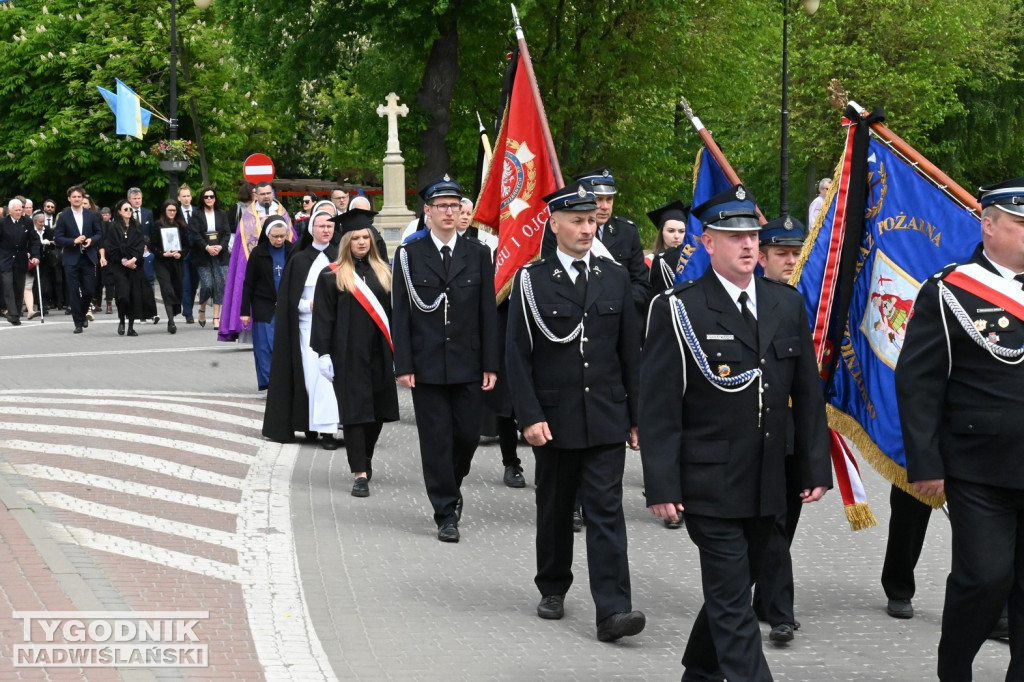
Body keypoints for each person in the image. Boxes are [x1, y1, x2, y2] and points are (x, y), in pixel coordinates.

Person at [640, 184, 832, 681]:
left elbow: (807, 394)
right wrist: (661, 484)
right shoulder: (679, 308)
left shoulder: (784, 303)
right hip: (710, 481)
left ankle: (699, 673)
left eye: (752, 236)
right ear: (708, 244)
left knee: (737, 585)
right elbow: (659, 407)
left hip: (769, 479)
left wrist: (814, 466)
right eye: (733, 236)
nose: (748, 245)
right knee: (732, 601)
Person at [895, 177, 1024, 680]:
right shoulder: (950, 291)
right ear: (989, 227)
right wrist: (925, 463)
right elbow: (918, 383)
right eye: (1020, 224)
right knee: (985, 578)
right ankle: (955, 668)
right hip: (978, 467)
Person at [506, 180, 645, 642]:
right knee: (556, 504)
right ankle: (552, 584)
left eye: (592, 221)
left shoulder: (615, 276)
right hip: (555, 415)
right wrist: (528, 416)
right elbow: (517, 355)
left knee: (607, 509)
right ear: (555, 223)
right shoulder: (532, 279)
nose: (588, 229)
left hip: (605, 413)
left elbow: (630, 351)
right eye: (579, 221)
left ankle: (614, 609)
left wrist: (636, 416)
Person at [391, 175, 498, 543]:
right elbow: (401, 313)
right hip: (427, 364)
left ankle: (451, 484)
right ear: (428, 212)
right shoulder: (408, 254)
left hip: (468, 361)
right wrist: (403, 365)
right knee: (436, 439)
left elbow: (487, 310)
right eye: (442, 206)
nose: (450, 212)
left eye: (455, 206)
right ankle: (445, 511)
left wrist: (490, 362)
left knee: (467, 435)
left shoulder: (478, 253)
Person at [749, 214, 811, 644]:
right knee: (773, 521)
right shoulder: (754, 301)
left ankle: (762, 595)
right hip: (757, 427)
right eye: (782, 253)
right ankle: (780, 611)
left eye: (795, 253)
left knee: (785, 522)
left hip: (794, 428)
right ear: (762, 257)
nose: (790, 261)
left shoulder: (804, 300)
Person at [311, 208, 400, 497]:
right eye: (356, 238)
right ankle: (359, 473)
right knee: (354, 414)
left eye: (366, 237)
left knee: (376, 414)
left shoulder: (385, 273)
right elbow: (323, 318)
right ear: (346, 241)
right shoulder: (331, 276)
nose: (362, 242)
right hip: (347, 354)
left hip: (380, 353)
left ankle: (366, 456)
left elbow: (396, 315)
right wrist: (323, 353)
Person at [262, 211, 341, 447]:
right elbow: (288, 301)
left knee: (330, 379)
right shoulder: (299, 260)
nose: (326, 230)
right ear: (311, 229)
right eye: (321, 226)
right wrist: (309, 305)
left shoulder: (340, 257)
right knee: (311, 378)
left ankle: (328, 431)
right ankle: (310, 424)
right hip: (307, 329)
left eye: (330, 226)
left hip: (335, 329)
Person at [541, 168, 650, 321]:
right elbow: (551, 276)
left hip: (617, 318)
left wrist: (611, 305)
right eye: (599, 199)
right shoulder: (559, 229)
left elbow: (641, 285)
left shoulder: (627, 231)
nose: (605, 206)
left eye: (609, 199)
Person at [220, 182, 295, 341]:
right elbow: (242, 241)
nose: (266, 196)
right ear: (256, 195)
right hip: (255, 263)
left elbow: (292, 238)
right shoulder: (248, 215)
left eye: (269, 193)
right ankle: (250, 332)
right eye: (262, 194)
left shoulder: (282, 213)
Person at [241, 217, 295, 391]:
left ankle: (284, 383)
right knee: (264, 347)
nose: (279, 240)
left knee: (284, 346)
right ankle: (269, 384)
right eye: (275, 236)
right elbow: (248, 283)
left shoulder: (293, 251)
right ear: (267, 234)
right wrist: (245, 311)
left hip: (287, 304)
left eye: (282, 236)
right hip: (263, 304)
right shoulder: (258, 253)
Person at [101, 200, 156, 336]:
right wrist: (124, 261)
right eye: (126, 209)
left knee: (133, 296)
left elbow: (139, 245)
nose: (129, 212)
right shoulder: (113, 228)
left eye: (130, 209)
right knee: (123, 296)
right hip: (119, 267)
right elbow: (111, 248)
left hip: (135, 266)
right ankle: (121, 320)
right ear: (119, 211)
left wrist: (134, 259)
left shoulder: (136, 227)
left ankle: (130, 326)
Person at [53, 185, 104, 334]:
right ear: (69, 198)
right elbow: (58, 238)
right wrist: (73, 241)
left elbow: (99, 233)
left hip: (88, 257)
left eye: (79, 197)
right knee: (73, 291)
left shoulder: (91, 215)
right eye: (74, 197)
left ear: (83, 199)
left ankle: (82, 314)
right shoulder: (63, 216)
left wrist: (91, 240)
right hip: (71, 258)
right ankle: (78, 323)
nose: (77, 199)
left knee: (89, 290)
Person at [188, 186, 232, 330]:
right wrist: (207, 247)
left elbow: (226, 232)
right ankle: (202, 308)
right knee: (207, 285)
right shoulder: (196, 214)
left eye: (211, 196)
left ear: (215, 198)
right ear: (202, 199)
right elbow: (195, 234)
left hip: (220, 253)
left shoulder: (222, 213)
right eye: (206, 197)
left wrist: (220, 246)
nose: (209, 199)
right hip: (203, 254)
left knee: (220, 284)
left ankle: (215, 318)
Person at [0, 199, 40, 325]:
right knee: (7, 286)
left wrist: (35, 255)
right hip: (5, 258)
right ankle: (12, 313)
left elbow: (34, 240)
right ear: (10, 211)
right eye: (16, 210)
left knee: (19, 287)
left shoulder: (27, 222)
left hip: (20, 259)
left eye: (20, 209)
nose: (19, 212)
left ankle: (16, 313)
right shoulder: (2, 223)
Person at [151, 199, 188, 334]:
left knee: (177, 290)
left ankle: (173, 314)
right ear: (164, 211)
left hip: (177, 262)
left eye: (174, 210)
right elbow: (152, 245)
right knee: (167, 290)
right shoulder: (157, 225)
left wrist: (181, 254)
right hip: (162, 262)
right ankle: (171, 322)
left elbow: (186, 245)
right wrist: (162, 253)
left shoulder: (181, 225)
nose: (172, 213)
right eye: (169, 210)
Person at [647, 200, 689, 295]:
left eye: (682, 231)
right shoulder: (649, 262)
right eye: (671, 231)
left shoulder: (691, 262)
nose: (677, 236)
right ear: (661, 232)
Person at [178, 185, 201, 324]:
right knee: (185, 283)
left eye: (188, 196)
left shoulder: (198, 212)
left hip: (197, 253)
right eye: (183, 196)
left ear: (191, 197)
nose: (186, 199)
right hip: (182, 253)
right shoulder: (176, 213)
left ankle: (190, 307)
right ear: (179, 198)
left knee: (193, 284)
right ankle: (188, 312)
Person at [127, 187, 156, 292]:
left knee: (148, 277)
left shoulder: (148, 213)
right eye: (134, 198)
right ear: (129, 199)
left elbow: (152, 232)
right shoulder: (126, 213)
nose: (137, 200)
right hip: (131, 251)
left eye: (139, 198)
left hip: (146, 250)